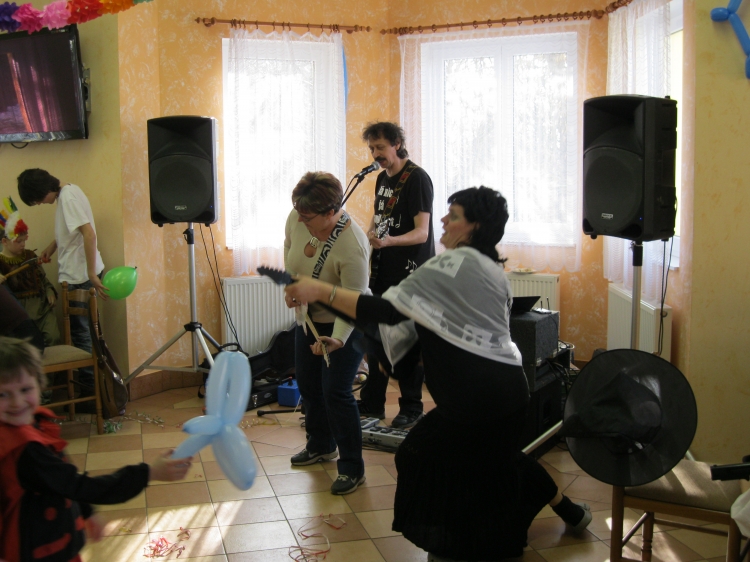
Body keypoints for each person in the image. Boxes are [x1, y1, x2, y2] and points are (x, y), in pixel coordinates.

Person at [285, 187, 591, 560]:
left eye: (454, 215)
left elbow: (387, 311)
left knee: (424, 457)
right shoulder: (489, 267)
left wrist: (319, 290)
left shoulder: (452, 265)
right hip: (509, 394)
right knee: (500, 459)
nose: (443, 220)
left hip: (476, 400)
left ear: (474, 226)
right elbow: (433, 326)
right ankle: (569, 512)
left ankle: (452, 546)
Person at [0, 336, 193, 562]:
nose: (17, 402)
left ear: (39, 383)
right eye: (3, 394)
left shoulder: (28, 426)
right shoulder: (26, 451)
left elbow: (62, 482)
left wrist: (86, 511)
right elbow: (80, 486)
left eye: (25, 389)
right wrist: (149, 473)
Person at [283, 171, 370, 495]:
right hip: (310, 318)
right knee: (308, 384)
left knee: (336, 391)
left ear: (331, 212)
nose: (300, 220)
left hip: (347, 322)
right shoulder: (298, 216)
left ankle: (352, 468)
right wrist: (291, 285)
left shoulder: (353, 244)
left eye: (308, 217)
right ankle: (320, 445)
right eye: (299, 213)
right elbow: (289, 248)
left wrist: (339, 339)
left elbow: (354, 299)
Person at [359, 121, 435, 429]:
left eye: (380, 147)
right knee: (376, 338)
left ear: (397, 144)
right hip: (382, 271)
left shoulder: (417, 179)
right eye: (372, 148)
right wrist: (369, 234)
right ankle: (372, 402)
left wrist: (389, 241)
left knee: (406, 341)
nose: (376, 154)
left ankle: (412, 407)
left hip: (410, 274)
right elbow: (380, 219)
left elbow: (422, 232)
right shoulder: (381, 178)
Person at [17, 169, 108, 400]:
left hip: (80, 276)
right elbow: (70, 233)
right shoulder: (68, 192)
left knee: (83, 336)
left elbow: (88, 234)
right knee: (83, 334)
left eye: (37, 200)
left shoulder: (67, 198)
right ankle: (90, 390)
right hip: (77, 274)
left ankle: (90, 393)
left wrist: (91, 273)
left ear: (42, 190)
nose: (39, 204)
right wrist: (51, 248)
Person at [0, 207, 60, 348]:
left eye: (24, 240)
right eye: (18, 241)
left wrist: (50, 291)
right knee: (28, 346)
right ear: (4, 242)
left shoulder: (30, 256)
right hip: (20, 315)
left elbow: (43, 279)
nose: (23, 245)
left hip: (41, 308)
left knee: (54, 337)